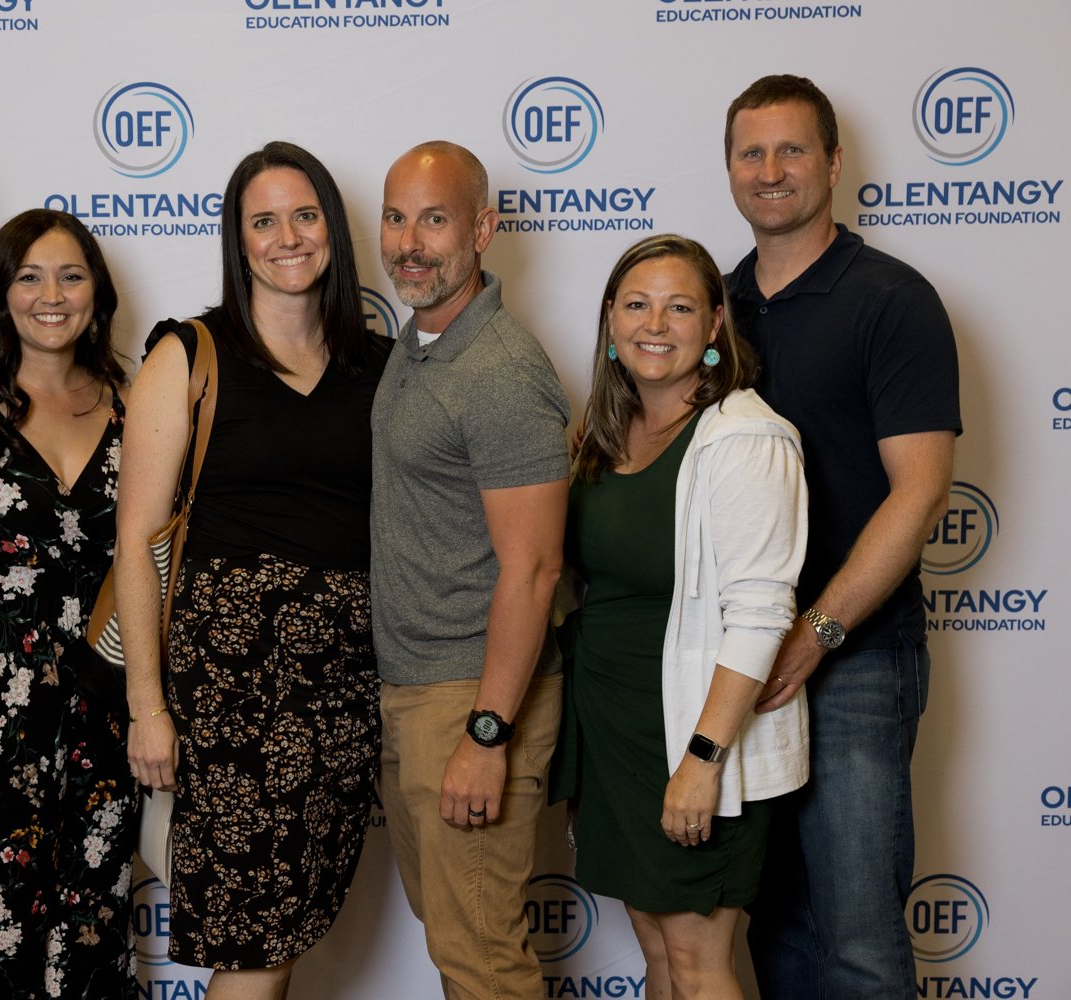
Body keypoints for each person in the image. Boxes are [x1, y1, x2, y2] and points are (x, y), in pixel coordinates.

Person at [119, 140, 392, 1000]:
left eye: (305, 216)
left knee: (286, 931)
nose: (288, 237)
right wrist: (148, 708)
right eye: (263, 221)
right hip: (228, 700)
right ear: (238, 241)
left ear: (333, 230)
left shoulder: (380, 365)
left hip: (342, 698)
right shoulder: (190, 355)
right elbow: (135, 544)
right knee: (253, 945)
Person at [723, 74, 961, 999]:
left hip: (854, 658)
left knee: (858, 939)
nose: (770, 170)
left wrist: (816, 633)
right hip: (742, 663)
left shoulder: (892, 299)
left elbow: (921, 493)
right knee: (775, 926)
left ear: (832, 161)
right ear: (729, 169)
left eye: (791, 149)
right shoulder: (713, 307)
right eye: (751, 152)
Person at [558, 234, 808, 1000]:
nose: (655, 325)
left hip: (693, 737)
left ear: (715, 324)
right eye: (637, 304)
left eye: (679, 307)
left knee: (700, 966)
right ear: (610, 318)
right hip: (614, 730)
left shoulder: (745, 437)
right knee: (661, 956)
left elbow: (761, 615)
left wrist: (702, 761)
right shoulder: (602, 437)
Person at [370, 140, 570, 1000]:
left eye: (435, 220)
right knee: (461, 945)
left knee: (484, 964)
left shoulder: (499, 370)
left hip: (469, 699)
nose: (409, 243)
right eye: (395, 218)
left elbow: (535, 571)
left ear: (483, 229)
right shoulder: (420, 341)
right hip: (416, 694)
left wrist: (486, 735)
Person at [0, 209, 138, 998]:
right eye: (29, 276)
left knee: (94, 927)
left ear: (97, 293)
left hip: (105, 711)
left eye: (71, 276)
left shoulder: (132, 403)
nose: (52, 296)